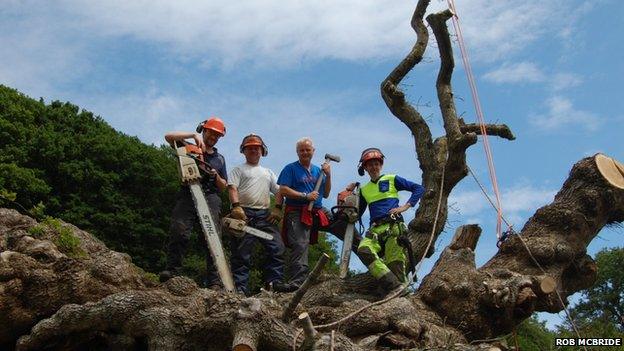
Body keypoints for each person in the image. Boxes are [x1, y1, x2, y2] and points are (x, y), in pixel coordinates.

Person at [159, 117, 228, 289]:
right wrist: (191, 135)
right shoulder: (188, 145)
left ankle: (215, 281)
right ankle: (172, 270)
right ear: (203, 130)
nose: (213, 136)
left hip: (211, 195)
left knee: (212, 237)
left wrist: (215, 175)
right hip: (188, 192)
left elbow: (223, 186)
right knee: (179, 230)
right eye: (211, 132)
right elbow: (168, 137)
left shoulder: (220, 159)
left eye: (217, 135)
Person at [353, 147, 424, 290]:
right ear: (365, 168)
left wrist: (406, 206)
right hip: (375, 230)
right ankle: (395, 286)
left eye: (376, 163)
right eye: (370, 164)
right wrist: (350, 194)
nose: (374, 167)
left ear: (381, 164)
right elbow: (356, 213)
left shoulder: (391, 179)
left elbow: (418, 188)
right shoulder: (364, 190)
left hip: (393, 227)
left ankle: (400, 293)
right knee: (364, 250)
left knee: (395, 263)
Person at [227, 134, 285, 295]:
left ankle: (274, 284)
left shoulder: (268, 172)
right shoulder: (238, 169)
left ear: (262, 151)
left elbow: (280, 191)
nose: (253, 150)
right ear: (244, 151)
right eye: (250, 148)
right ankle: (240, 289)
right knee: (241, 254)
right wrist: (236, 207)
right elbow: (232, 188)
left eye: (256, 148)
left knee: (277, 248)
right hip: (244, 215)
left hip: (265, 216)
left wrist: (278, 208)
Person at [275, 137, 331, 292]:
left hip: (318, 211)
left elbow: (325, 194)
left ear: (313, 151)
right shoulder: (290, 168)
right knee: (300, 244)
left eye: (308, 149)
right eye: (302, 150)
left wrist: (328, 174)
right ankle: (297, 282)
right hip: (297, 211)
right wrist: (305, 196)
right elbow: (283, 190)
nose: (305, 152)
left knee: (341, 222)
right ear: (297, 152)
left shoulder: (319, 171)